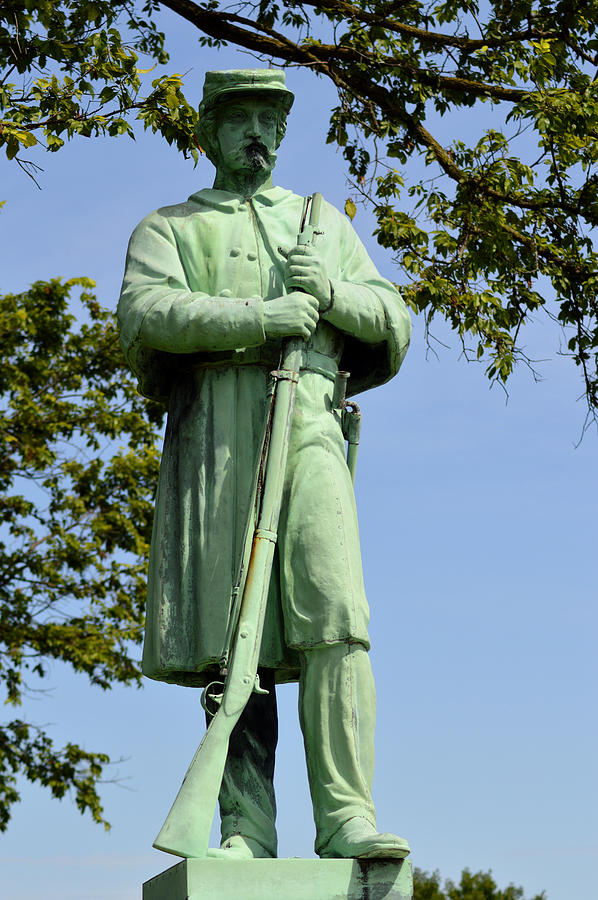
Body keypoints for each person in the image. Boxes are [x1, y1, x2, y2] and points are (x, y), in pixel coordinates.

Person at [118, 69, 411, 862]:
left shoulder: (322, 225)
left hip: (311, 427)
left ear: (283, 135)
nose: (256, 132)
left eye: (268, 120)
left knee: (338, 617)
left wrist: (335, 299)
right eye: (239, 117)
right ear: (209, 133)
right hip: (218, 438)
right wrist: (262, 317)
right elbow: (145, 314)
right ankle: (245, 826)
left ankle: (347, 815)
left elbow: (393, 318)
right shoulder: (170, 227)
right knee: (230, 641)